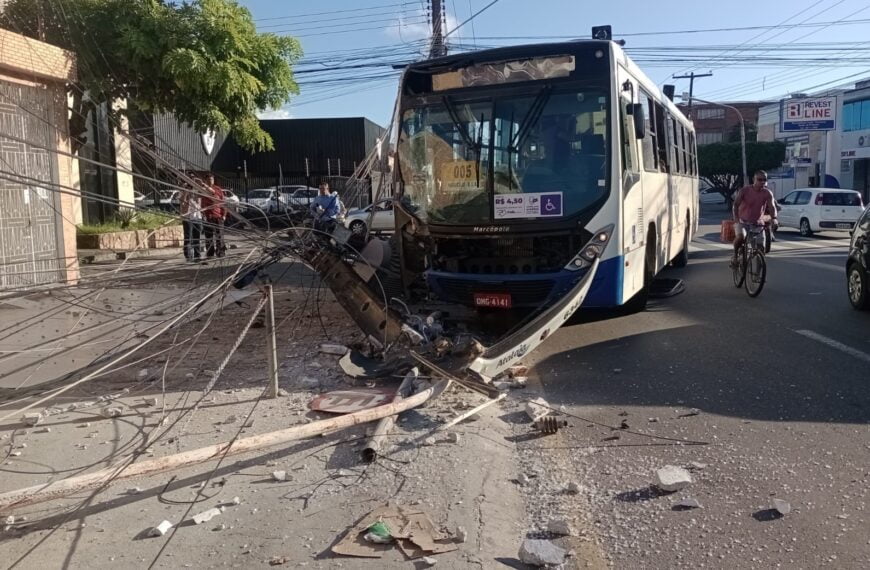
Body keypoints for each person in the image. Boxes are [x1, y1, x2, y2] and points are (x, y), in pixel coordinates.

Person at [732, 170, 778, 265]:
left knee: (761, 249)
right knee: (741, 237)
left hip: (758, 223)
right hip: (742, 221)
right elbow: (735, 205)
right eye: (759, 179)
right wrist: (736, 218)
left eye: (764, 180)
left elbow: (772, 206)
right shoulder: (744, 190)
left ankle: (758, 276)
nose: (762, 182)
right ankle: (735, 255)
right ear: (753, 179)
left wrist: (774, 218)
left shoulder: (767, 193)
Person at [200, 173, 227, 257]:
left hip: (217, 216)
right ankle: (210, 253)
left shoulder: (217, 189)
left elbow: (222, 201)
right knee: (208, 237)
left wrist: (224, 215)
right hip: (208, 216)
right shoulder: (203, 190)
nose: (210, 181)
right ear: (206, 180)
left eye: (211, 179)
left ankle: (220, 252)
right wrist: (202, 214)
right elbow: (202, 203)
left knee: (219, 236)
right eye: (208, 180)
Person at [179, 183, 202, 262]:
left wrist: (195, 194)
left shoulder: (196, 195)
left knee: (197, 238)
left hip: (197, 218)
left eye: (191, 187)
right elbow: (182, 204)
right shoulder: (183, 193)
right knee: (188, 238)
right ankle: (188, 256)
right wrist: (186, 192)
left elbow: (199, 205)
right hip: (188, 218)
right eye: (189, 186)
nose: (191, 188)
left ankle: (197, 256)